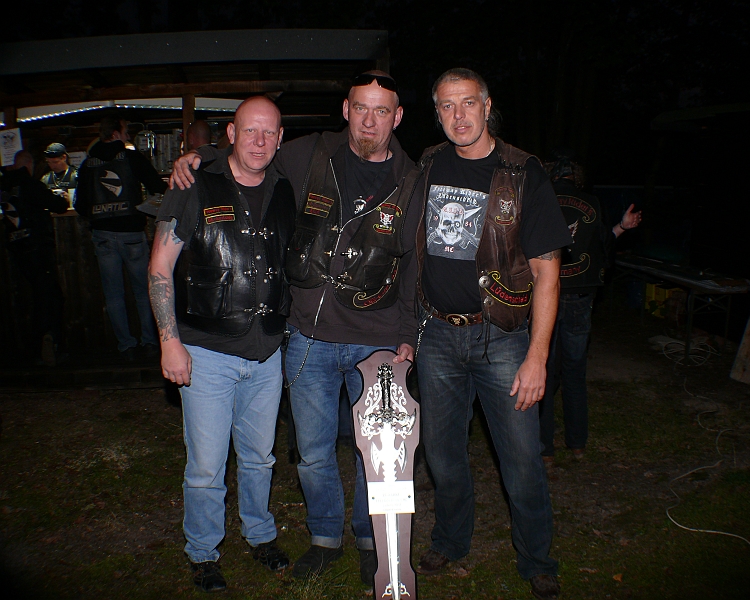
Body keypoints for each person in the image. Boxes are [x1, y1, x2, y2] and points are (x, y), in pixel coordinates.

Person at [170, 70, 425, 586]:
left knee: (378, 456)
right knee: (312, 453)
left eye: (381, 111)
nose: (369, 120)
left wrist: (407, 332)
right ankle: (325, 537)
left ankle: (371, 541)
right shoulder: (309, 153)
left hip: (379, 340)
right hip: (309, 337)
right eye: (360, 108)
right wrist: (199, 157)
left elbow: (415, 263)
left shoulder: (412, 178)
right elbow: (250, 152)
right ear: (346, 110)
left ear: (397, 117)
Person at [413, 68, 571, 600]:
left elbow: (547, 272)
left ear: (487, 106)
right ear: (437, 112)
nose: (458, 115)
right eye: (446, 105)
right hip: (437, 336)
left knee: (522, 460)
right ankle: (450, 540)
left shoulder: (524, 172)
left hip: (502, 338)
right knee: (442, 456)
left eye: (468, 103)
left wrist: (537, 357)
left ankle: (537, 559)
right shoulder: (428, 164)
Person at [148, 96, 294, 592]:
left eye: (269, 132)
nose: (259, 141)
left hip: (266, 353)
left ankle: (260, 535)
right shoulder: (194, 185)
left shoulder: (284, 189)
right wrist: (170, 342)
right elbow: (160, 267)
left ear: (280, 138)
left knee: (259, 457)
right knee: (207, 466)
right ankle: (203, 551)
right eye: (250, 130)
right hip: (206, 353)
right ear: (231, 134)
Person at [539, 155, 641, 463]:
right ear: (576, 175)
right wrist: (621, 228)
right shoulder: (592, 202)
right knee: (574, 371)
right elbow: (603, 246)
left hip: (546, 296)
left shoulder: (539, 199)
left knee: (544, 371)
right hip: (580, 297)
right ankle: (577, 444)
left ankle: (544, 448)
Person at [74, 114, 167, 360]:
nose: (128, 136)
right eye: (125, 131)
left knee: (114, 294)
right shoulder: (132, 157)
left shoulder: (87, 164)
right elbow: (158, 186)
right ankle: (149, 342)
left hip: (103, 236)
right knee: (143, 291)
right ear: (115, 133)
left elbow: (80, 205)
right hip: (132, 234)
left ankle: (126, 346)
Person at [1, 150, 69, 365]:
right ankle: (48, 343)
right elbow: (59, 206)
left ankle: (39, 347)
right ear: (29, 165)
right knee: (50, 296)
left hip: (17, 248)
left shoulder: (4, 187)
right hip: (37, 247)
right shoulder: (30, 184)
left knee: (39, 295)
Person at [41, 143, 78, 208]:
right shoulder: (45, 179)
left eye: (55, 162)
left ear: (64, 157)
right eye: (49, 162)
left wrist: (71, 198)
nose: (52, 166)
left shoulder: (76, 175)